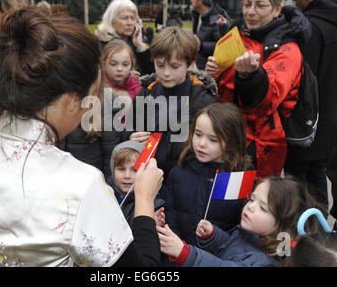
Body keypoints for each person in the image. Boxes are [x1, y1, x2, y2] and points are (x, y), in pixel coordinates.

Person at [0, 7, 164, 267]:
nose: (92, 105)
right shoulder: (80, 187)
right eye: (92, 96)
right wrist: (144, 200)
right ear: (71, 99)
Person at [205, 0, 311, 179]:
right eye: (247, 4)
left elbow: (268, 99)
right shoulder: (239, 36)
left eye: (260, 5)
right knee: (222, 201)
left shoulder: (287, 49)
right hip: (226, 135)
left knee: (248, 204)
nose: (250, 12)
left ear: (277, 9)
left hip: (259, 149)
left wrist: (250, 77)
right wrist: (215, 74)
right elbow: (226, 89)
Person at [157, 175, 323, 267]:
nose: (250, 207)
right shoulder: (253, 234)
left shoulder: (268, 262)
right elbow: (232, 246)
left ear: (282, 224)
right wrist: (213, 237)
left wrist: (185, 254)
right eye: (252, 199)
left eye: (263, 208)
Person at [160, 102, 253, 249]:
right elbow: (169, 214)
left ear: (231, 142)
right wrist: (178, 248)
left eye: (213, 139)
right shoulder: (179, 172)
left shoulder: (236, 178)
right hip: (176, 253)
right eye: (198, 134)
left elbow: (238, 226)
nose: (201, 143)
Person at [126, 26, 216, 178]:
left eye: (175, 66)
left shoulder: (202, 101)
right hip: (147, 177)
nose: (166, 73)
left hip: (185, 182)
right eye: (160, 65)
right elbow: (127, 132)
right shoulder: (145, 94)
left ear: (190, 64)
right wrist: (130, 140)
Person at [283, 0, 337, 213]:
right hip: (331, 120)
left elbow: (302, 76)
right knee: (319, 174)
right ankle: (321, 233)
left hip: (307, 118)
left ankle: (305, 235)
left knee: (299, 179)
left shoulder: (311, 28)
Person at [58, 39, 140, 178]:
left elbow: (110, 151)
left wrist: (108, 185)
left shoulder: (106, 101)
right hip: (59, 176)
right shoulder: (57, 98)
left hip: (90, 176)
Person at [107, 140, 165, 225]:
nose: (127, 176)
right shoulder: (104, 196)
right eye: (121, 169)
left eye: (135, 170)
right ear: (112, 170)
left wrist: (151, 224)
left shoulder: (153, 205)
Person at [95, 0, 154, 76]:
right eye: (124, 18)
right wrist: (124, 77)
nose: (129, 23)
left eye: (133, 18)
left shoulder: (135, 43)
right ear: (112, 21)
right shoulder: (101, 46)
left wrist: (141, 47)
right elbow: (99, 79)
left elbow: (153, 72)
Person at [191, 0, 230, 70]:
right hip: (198, 63)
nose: (191, 0)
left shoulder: (216, 18)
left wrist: (201, 45)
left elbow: (223, 45)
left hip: (209, 69)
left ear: (200, 0)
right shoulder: (196, 15)